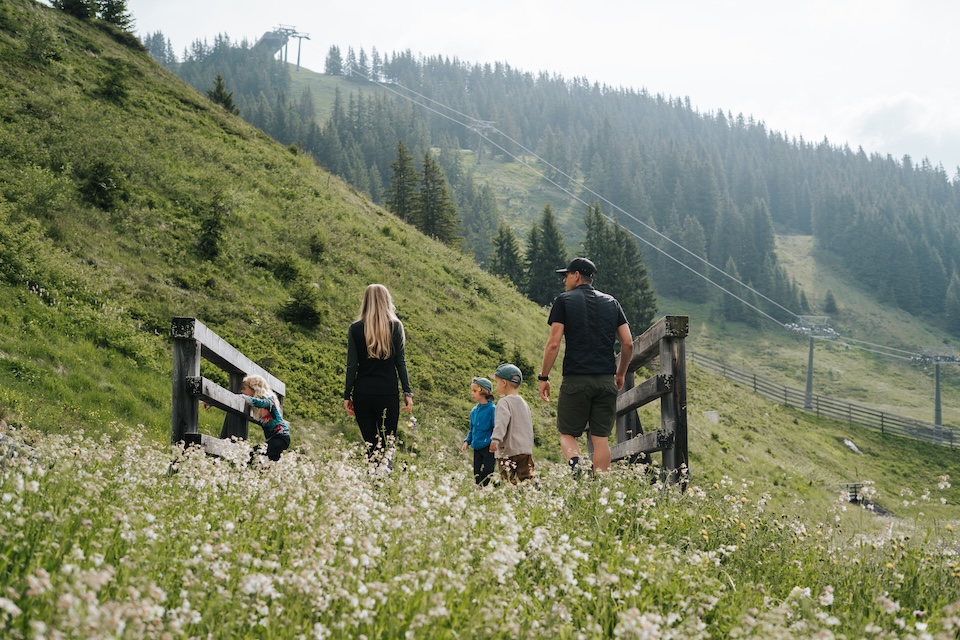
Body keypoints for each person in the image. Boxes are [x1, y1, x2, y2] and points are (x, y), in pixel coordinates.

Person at [538, 257, 633, 474]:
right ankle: (599, 489)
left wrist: (544, 377)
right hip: (606, 380)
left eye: (566, 275)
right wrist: (620, 374)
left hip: (576, 379)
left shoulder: (564, 301)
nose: (564, 281)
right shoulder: (612, 303)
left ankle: (576, 465)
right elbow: (628, 343)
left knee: (566, 433)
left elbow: (553, 343)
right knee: (601, 439)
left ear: (577, 275)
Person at [343, 284, 414, 462]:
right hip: (387, 392)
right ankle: (384, 482)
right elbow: (400, 362)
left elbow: (352, 365)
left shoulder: (355, 328)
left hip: (362, 393)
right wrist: (407, 392)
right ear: (386, 300)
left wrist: (347, 395)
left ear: (366, 302)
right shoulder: (396, 327)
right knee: (387, 443)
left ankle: (373, 482)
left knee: (370, 444)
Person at [489, 364, 535, 484]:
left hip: (508, 451)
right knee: (526, 479)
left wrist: (495, 440)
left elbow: (501, 423)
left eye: (497, 383)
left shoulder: (504, 402)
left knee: (509, 480)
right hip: (525, 450)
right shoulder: (524, 403)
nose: (496, 386)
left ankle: (513, 498)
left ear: (504, 383)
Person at [239, 374, 290, 462]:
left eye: (244, 388)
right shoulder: (257, 406)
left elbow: (261, 403)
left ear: (254, 389)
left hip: (280, 438)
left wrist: (243, 397)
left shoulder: (269, 400)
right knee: (271, 464)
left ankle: (247, 471)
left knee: (255, 453)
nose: (242, 391)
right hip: (273, 439)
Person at [460, 377, 497, 486]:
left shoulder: (492, 410)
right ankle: (479, 491)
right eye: (472, 390)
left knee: (487, 471)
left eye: (475, 391)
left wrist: (494, 442)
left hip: (489, 447)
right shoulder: (474, 411)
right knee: (476, 472)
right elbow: (472, 429)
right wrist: (467, 441)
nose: (472, 393)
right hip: (477, 446)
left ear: (484, 391)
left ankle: (486, 490)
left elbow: (496, 428)